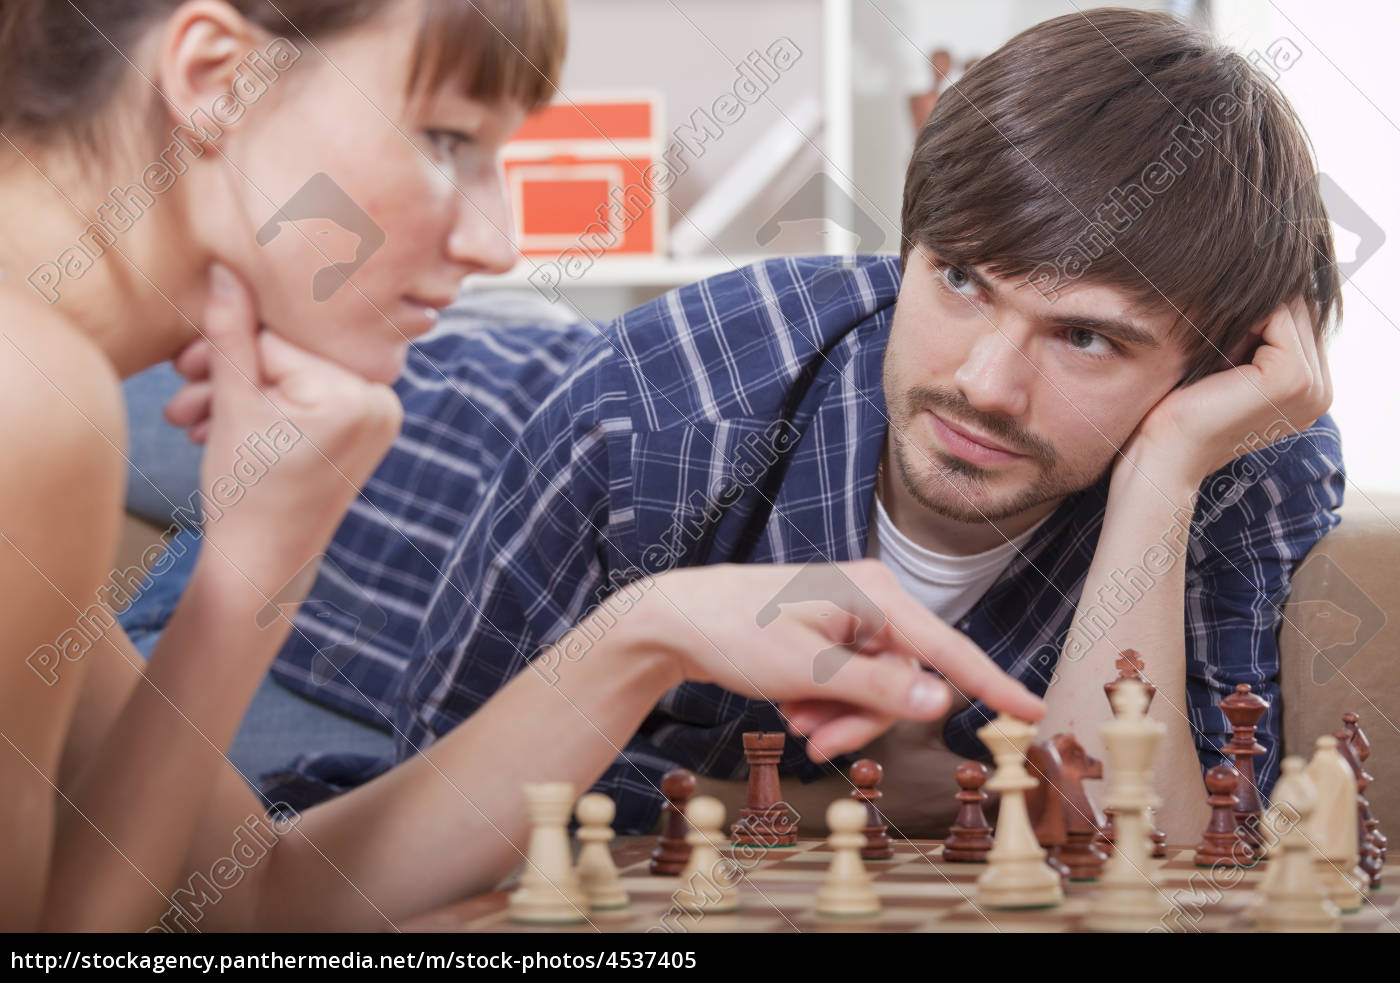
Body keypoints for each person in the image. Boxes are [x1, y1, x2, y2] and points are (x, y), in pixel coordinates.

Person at [136, 7, 1341, 844]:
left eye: (1084, 337)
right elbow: (452, 784)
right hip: (371, 496)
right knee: (93, 363)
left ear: (1212, 367)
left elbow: (1155, 845)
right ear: (903, 249)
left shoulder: (1234, 451)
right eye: (959, 279)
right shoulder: (675, 400)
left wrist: (1160, 476)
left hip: (487, 407)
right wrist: (869, 800)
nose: (982, 382)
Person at [0, 0, 1042, 932]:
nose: (499, 241)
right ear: (215, 79)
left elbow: (245, 895)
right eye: (445, 137)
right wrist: (244, 570)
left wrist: (652, 628)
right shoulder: (32, 397)